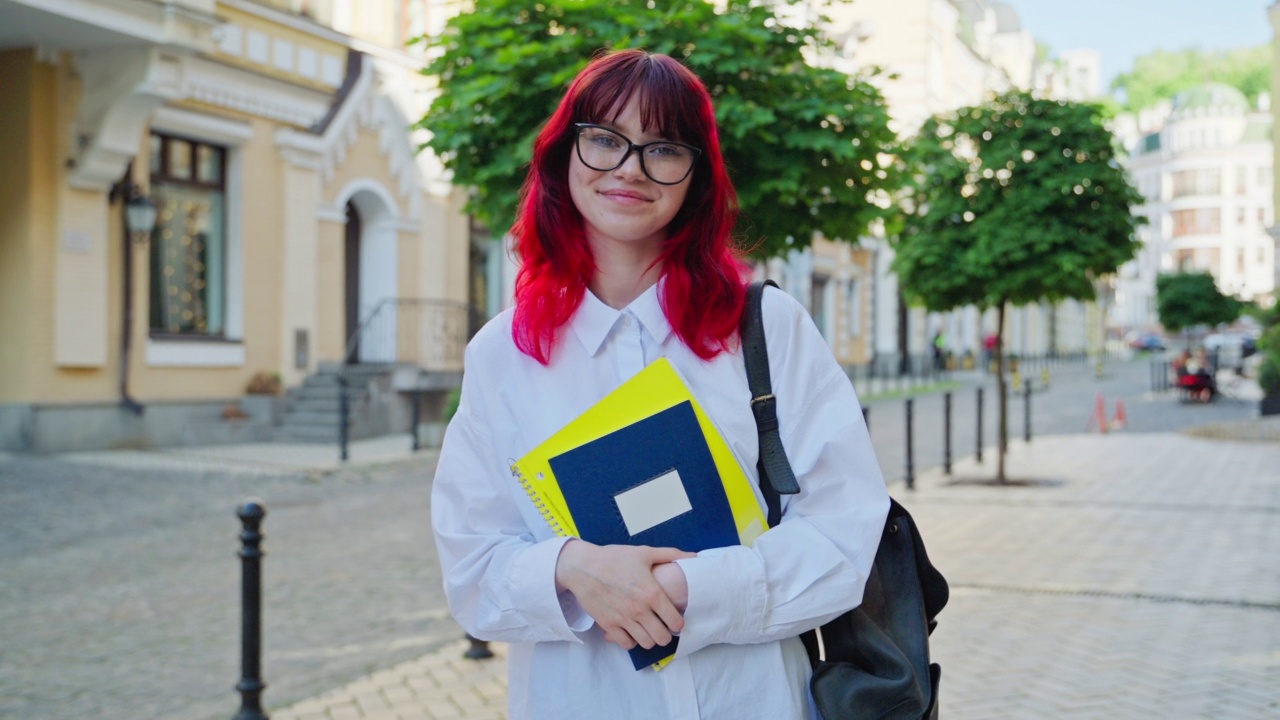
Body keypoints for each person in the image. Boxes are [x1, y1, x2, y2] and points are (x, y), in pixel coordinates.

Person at [430, 49, 888, 719]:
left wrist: (690, 589)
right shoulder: (504, 354)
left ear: (695, 178)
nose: (629, 169)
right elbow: (471, 568)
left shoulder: (766, 327)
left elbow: (844, 534)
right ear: (565, 153)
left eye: (663, 149)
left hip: (754, 700)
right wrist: (573, 570)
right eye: (605, 140)